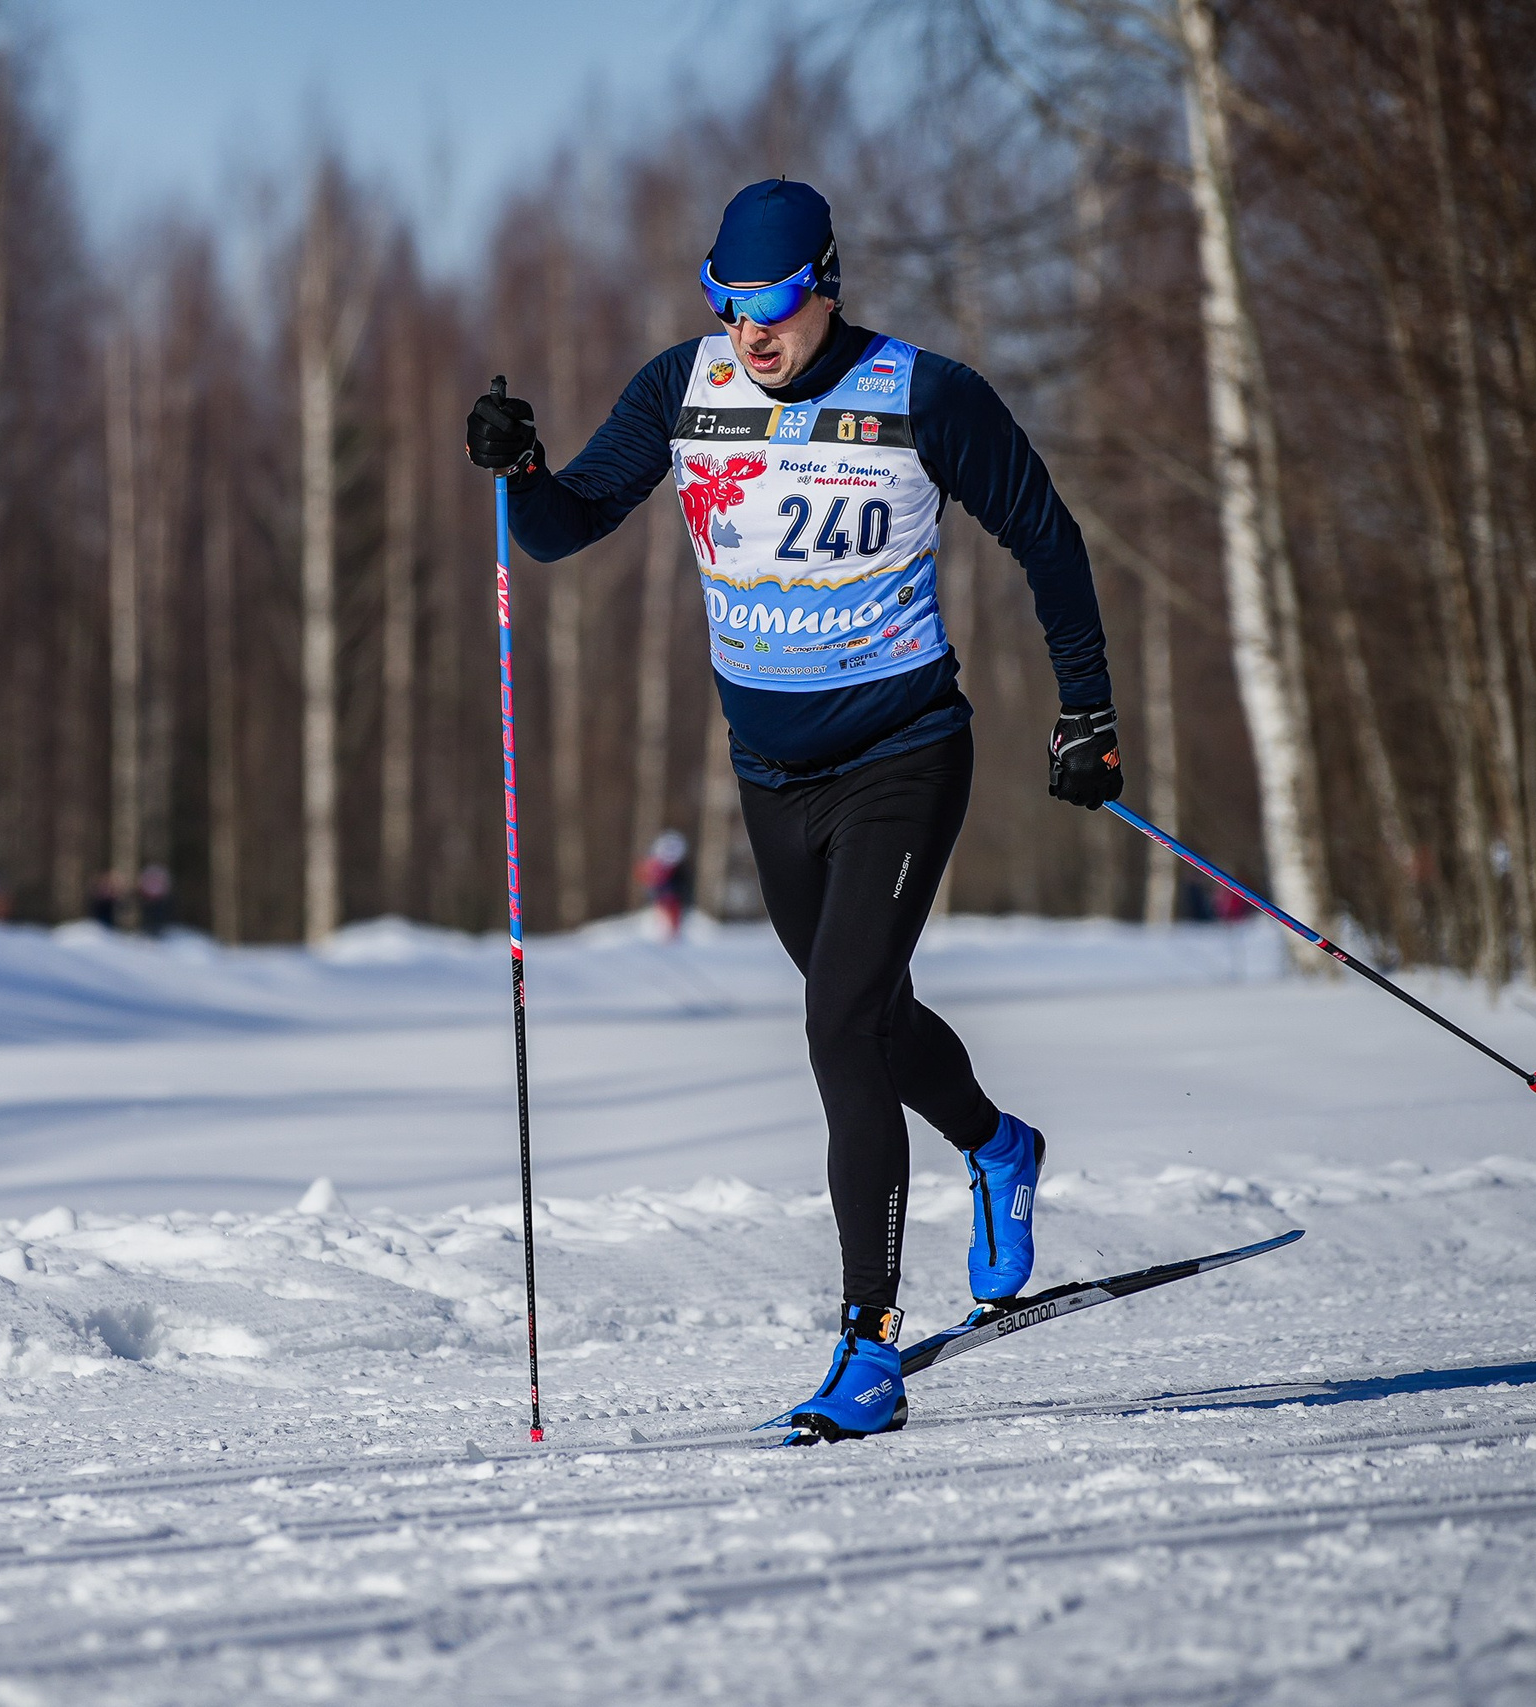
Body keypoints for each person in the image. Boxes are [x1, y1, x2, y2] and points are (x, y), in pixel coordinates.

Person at [467, 179, 1122, 1442]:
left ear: (824, 282)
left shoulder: (923, 394)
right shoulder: (684, 386)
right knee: (863, 1011)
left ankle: (868, 1344)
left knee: (836, 1025)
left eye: (768, 302)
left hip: (903, 755)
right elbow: (558, 529)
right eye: (725, 301)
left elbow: (1047, 538)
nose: (748, 330)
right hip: (771, 777)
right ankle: (998, 1145)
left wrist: (1085, 710)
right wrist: (521, 466)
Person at [638, 829, 690, 940]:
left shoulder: (679, 871)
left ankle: (671, 935)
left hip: (672, 900)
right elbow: (647, 879)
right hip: (661, 900)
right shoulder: (653, 866)